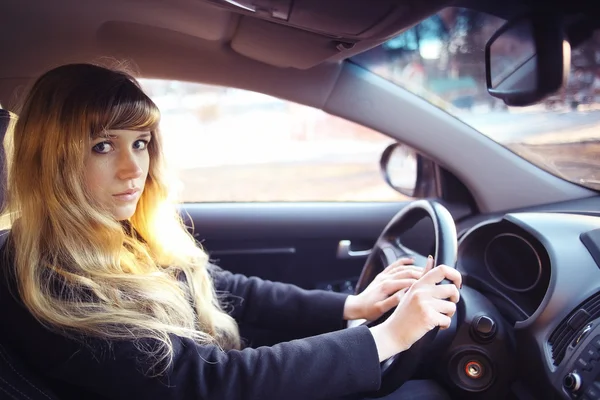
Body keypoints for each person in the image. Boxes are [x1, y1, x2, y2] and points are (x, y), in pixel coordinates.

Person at [0, 63, 462, 400]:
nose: (132, 169)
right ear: (52, 160)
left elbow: (221, 288)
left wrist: (351, 306)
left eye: (140, 143)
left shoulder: (116, 234)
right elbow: (212, 382)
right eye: (102, 146)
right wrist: (387, 338)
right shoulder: (49, 281)